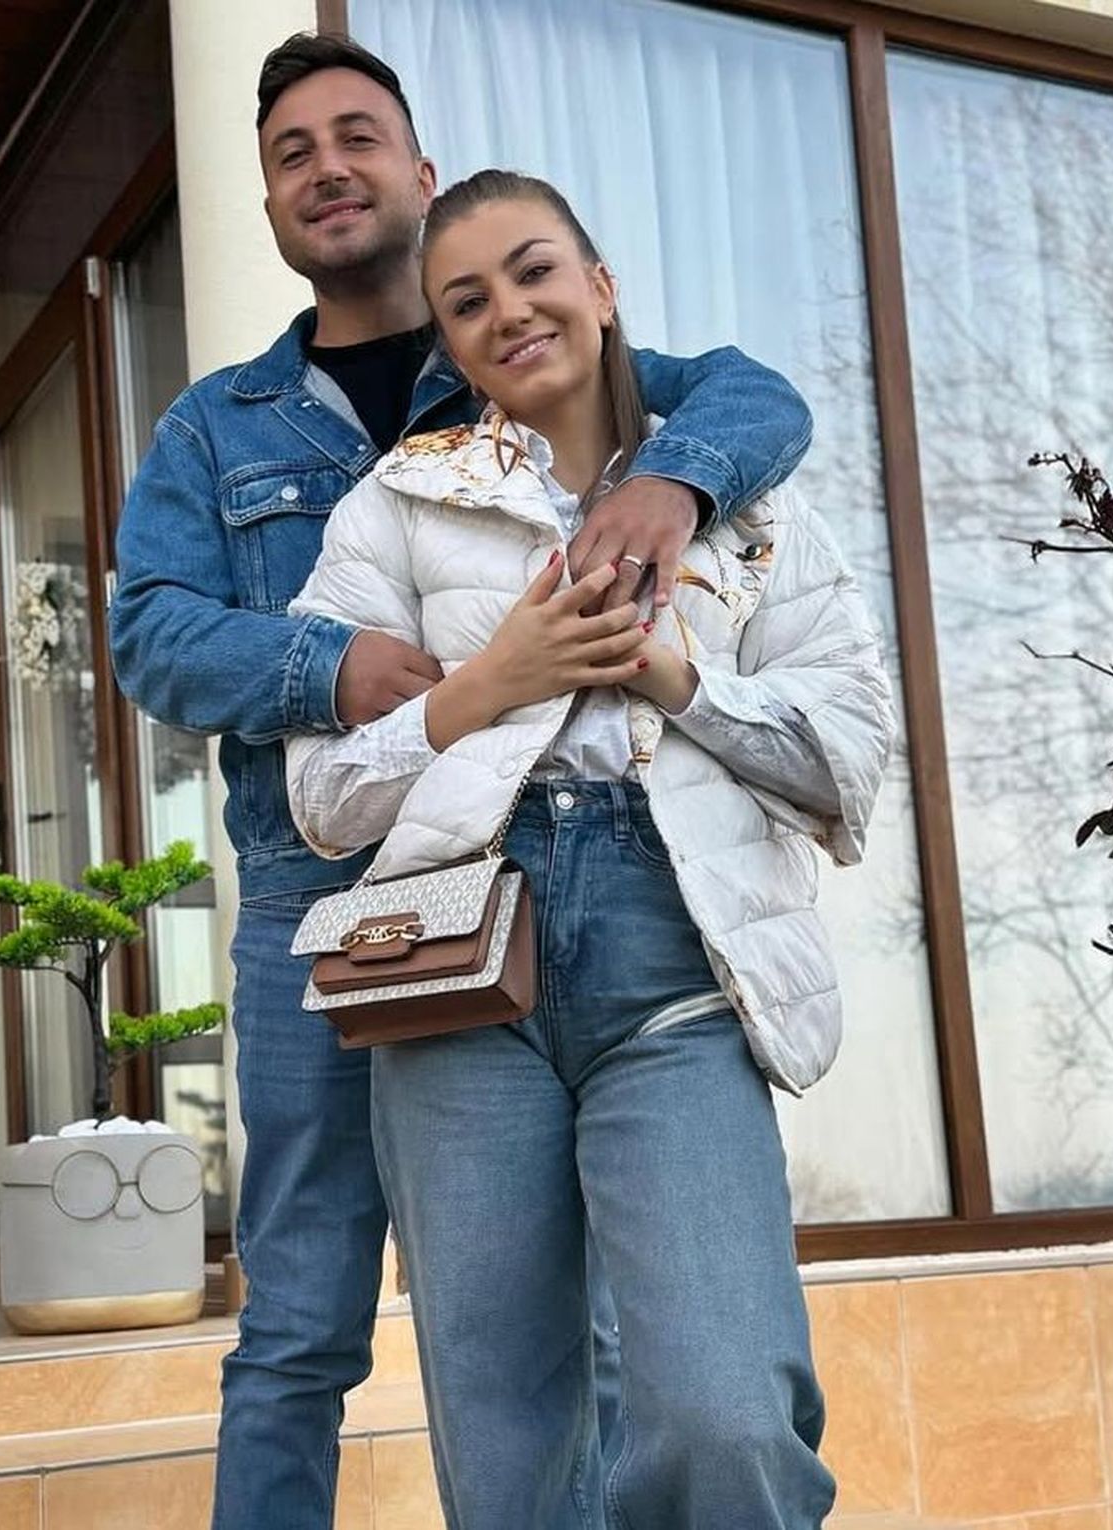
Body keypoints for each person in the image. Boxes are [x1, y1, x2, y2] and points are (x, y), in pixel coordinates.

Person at [107, 33, 815, 1530]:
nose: (328, 168)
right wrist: (334, 667)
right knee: (300, 1320)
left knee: (590, 1333)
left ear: (420, 175)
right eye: (292, 153)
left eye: (357, 136)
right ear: (269, 204)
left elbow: (758, 400)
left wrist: (668, 480)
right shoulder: (217, 425)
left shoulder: (506, 348)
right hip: (322, 900)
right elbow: (149, 633)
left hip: (542, 882)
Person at [285, 169, 893, 1530]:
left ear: (603, 287)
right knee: (509, 1456)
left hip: (678, 963)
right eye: (466, 301)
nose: (509, 310)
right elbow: (323, 795)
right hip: (460, 965)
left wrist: (683, 683)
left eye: (535, 270)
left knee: (727, 1419)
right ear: (449, 348)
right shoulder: (395, 506)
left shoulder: (751, 507)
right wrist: (488, 685)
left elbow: (850, 762)